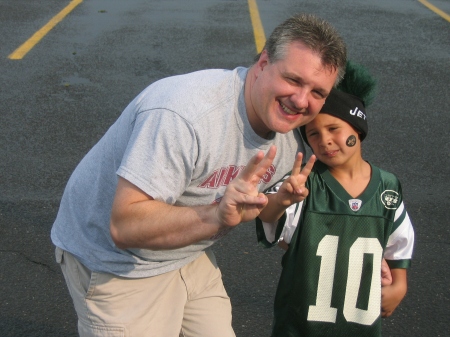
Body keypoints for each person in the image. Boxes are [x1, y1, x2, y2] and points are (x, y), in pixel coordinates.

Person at [50, 13, 347, 337]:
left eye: (318, 92)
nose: (301, 100)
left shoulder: (295, 138)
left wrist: (373, 263)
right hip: (114, 261)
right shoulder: (186, 116)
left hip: (187, 250)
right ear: (263, 64)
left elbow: (271, 215)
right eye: (293, 79)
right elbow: (124, 226)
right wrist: (217, 215)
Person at [256, 61, 414, 336]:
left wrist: (399, 284)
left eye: (333, 129)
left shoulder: (387, 187)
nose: (324, 140)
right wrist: (281, 200)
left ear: (358, 128)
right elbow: (269, 219)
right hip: (300, 326)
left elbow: (399, 243)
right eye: (313, 134)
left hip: (359, 326)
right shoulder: (306, 183)